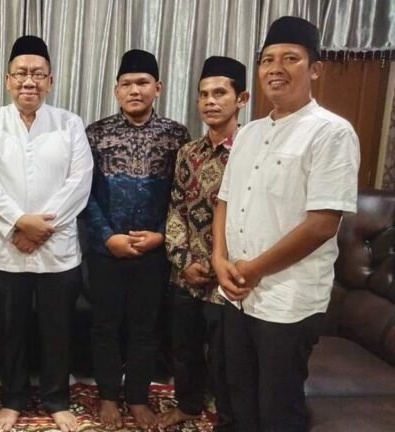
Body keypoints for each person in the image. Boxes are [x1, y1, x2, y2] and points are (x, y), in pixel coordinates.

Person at [211, 16, 359, 431]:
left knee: (277, 410)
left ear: (315, 68)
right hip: (236, 294)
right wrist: (220, 259)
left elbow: (322, 224)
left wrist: (254, 269)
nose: (276, 68)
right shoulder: (249, 133)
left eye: (290, 58)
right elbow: (225, 200)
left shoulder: (331, 133)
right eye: (267, 60)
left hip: (286, 300)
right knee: (236, 397)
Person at [0, 35, 93, 432]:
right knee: (10, 331)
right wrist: (18, 224)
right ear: (7, 80)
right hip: (6, 249)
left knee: (58, 331)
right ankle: (13, 399)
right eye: (21, 73)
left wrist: (39, 230)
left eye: (38, 74)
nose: (29, 81)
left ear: (50, 80)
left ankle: (57, 399)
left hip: (58, 251)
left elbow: (80, 182)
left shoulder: (70, 124)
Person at [84, 49, 190, 429]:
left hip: (153, 252)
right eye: (126, 84)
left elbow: (182, 195)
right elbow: (84, 195)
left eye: (142, 83)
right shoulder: (95, 134)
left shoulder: (176, 135)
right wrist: (107, 237)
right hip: (106, 251)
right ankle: (108, 396)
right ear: (116, 90)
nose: (134, 90)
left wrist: (160, 236)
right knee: (105, 325)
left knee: (146, 327)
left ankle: (139, 398)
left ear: (157, 87)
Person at [159, 56, 249, 430]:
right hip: (187, 273)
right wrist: (183, 260)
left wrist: (217, 264)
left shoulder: (251, 152)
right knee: (184, 349)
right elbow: (176, 210)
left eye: (220, 93)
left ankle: (229, 419)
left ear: (241, 98)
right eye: (204, 94)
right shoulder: (188, 152)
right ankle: (188, 407)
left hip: (230, 277)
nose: (210, 101)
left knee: (228, 359)